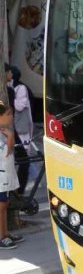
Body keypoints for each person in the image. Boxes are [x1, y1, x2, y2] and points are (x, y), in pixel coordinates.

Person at [7, 65, 34, 194]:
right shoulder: (9, 90)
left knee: (24, 159)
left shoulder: (18, 88)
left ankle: (18, 190)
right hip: (11, 130)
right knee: (23, 160)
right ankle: (17, 191)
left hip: (19, 129)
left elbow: (19, 107)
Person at [0, 104, 22, 249]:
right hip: (1, 177)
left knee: (4, 205)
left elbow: (11, 149)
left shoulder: (4, 131)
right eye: (8, 114)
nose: (11, 117)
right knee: (1, 206)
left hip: (5, 176)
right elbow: (5, 152)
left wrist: (10, 137)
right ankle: (1, 237)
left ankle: (5, 233)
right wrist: (10, 137)